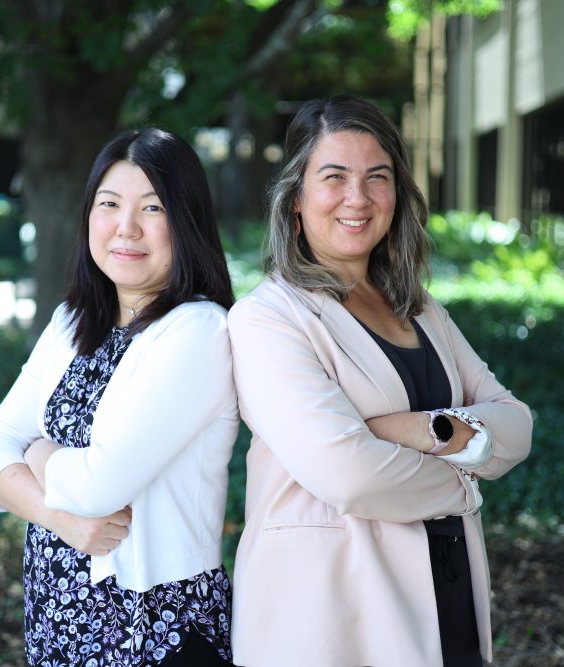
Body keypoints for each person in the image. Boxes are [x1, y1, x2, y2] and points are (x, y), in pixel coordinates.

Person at [227, 95, 533, 666]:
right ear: (296, 199)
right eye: (334, 177)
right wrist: (464, 485)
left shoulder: (419, 308)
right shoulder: (269, 318)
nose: (358, 198)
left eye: (378, 177)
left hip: (447, 585)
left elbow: (516, 424)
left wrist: (427, 429)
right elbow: (349, 475)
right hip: (330, 612)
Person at [0, 128, 238, 667]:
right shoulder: (72, 322)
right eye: (109, 204)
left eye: (153, 208)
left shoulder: (198, 332)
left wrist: (37, 454)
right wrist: (62, 520)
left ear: (185, 221)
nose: (126, 228)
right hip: (59, 617)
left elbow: (97, 487)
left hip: (157, 630)